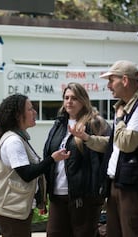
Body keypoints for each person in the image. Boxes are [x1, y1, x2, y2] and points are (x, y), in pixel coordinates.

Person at [96, 60, 138, 236]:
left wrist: (119, 120)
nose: (109, 86)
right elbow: (114, 145)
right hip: (117, 183)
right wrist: (88, 139)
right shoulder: (124, 107)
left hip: (132, 188)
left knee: (132, 232)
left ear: (124, 80)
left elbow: (126, 143)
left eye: (111, 80)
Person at [0, 93, 69, 237]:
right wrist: (52, 159)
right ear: (18, 115)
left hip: (13, 208)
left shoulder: (18, 137)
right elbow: (27, 174)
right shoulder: (14, 141)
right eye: (30, 109)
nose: (35, 112)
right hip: (10, 210)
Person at [43, 82, 110, 237]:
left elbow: (107, 150)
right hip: (57, 194)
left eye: (74, 98)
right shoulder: (59, 124)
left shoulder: (95, 123)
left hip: (85, 196)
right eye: (66, 98)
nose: (69, 101)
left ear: (83, 100)